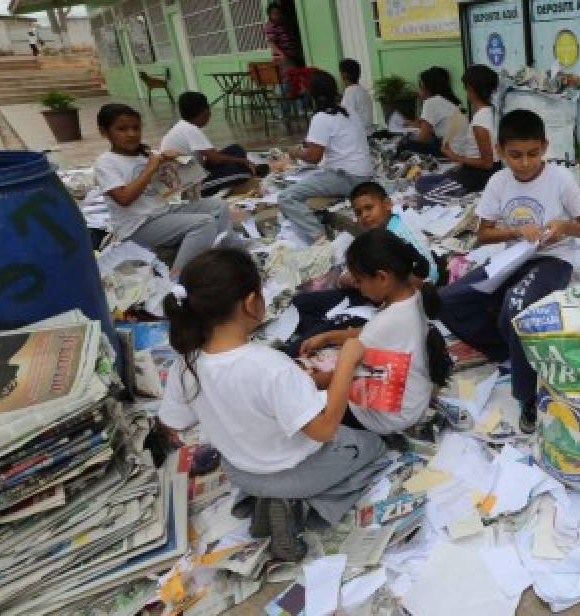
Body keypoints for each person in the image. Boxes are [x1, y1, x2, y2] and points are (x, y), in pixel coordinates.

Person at [159, 249, 390, 561]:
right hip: (296, 471)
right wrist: (346, 366)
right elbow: (323, 430)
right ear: (251, 302)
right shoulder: (270, 365)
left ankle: (268, 499)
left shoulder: (186, 363)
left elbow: (177, 421)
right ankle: (299, 505)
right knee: (374, 448)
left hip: (242, 473)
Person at [438, 109, 580, 433]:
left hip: (554, 258)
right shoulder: (498, 180)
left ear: (545, 147)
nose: (525, 163)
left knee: (516, 305)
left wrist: (564, 225)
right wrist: (517, 232)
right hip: (514, 257)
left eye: (533, 154)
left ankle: (527, 397)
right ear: (500, 151)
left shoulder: (560, 179)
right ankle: (507, 352)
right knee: (447, 299)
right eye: (515, 155)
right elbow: (483, 232)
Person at [303, 230, 452, 436]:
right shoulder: (414, 297)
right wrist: (328, 337)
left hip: (389, 420)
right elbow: (367, 332)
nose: (357, 287)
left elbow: (341, 376)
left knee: (308, 410)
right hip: (414, 399)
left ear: (382, 277)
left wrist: (304, 383)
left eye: (359, 280)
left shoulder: (386, 323)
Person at [285, 182, 439, 357]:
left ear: (387, 205)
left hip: (376, 297)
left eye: (369, 208)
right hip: (372, 291)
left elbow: (429, 274)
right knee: (299, 304)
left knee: (319, 332)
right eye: (358, 212)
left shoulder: (400, 236)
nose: (364, 216)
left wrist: (328, 335)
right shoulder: (378, 234)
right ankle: (323, 331)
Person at [94, 103, 235, 276]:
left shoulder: (144, 154)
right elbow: (124, 199)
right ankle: (178, 278)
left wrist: (176, 164)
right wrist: (151, 167)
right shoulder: (106, 163)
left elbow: (169, 187)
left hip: (162, 212)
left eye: (136, 128)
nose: (131, 134)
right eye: (122, 129)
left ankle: (222, 255)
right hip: (137, 226)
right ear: (104, 132)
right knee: (203, 223)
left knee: (218, 205)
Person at [278, 71, 375, 244]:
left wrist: (294, 152)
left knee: (286, 197)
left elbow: (314, 157)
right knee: (314, 177)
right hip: (364, 174)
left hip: (348, 178)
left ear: (312, 94)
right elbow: (320, 142)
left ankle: (320, 237)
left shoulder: (321, 117)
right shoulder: (348, 111)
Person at [161, 92, 269, 197]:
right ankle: (251, 171)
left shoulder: (183, 125)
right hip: (189, 186)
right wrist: (243, 161)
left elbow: (213, 157)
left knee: (236, 149)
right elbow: (215, 159)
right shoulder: (190, 129)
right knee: (242, 171)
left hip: (194, 171)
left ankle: (245, 169)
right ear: (205, 112)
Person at [417, 64, 499, 199]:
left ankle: (461, 190)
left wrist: (455, 157)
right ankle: (454, 185)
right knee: (421, 182)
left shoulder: (480, 121)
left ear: (470, 89)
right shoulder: (490, 113)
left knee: (424, 198)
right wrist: (461, 164)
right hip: (471, 170)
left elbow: (487, 163)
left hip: (477, 176)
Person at [398, 67, 462, 156]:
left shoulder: (431, 102)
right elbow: (432, 127)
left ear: (427, 87)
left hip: (449, 152)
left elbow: (423, 137)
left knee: (404, 144)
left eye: (420, 85)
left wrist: (407, 143)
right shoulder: (450, 101)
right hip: (460, 148)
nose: (418, 89)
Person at [339, 58, 383, 136]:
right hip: (368, 132)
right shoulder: (362, 90)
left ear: (343, 74)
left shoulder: (350, 92)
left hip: (360, 135)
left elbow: (345, 117)